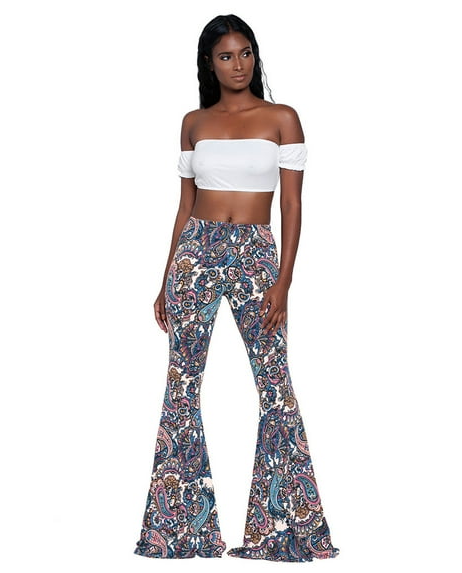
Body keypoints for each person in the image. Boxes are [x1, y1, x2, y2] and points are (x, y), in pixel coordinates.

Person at [133, 14, 340, 562]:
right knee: (182, 386)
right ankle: (180, 531)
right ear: (209, 63)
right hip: (196, 252)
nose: (238, 64)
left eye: (245, 52)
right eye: (226, 56)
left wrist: (284, 280)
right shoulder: (193, 123)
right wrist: (166, 279)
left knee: (275, 386)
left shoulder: (282, 118)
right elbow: (184, 207)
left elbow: (292, 203)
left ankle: (285, 531)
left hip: (255, 253)